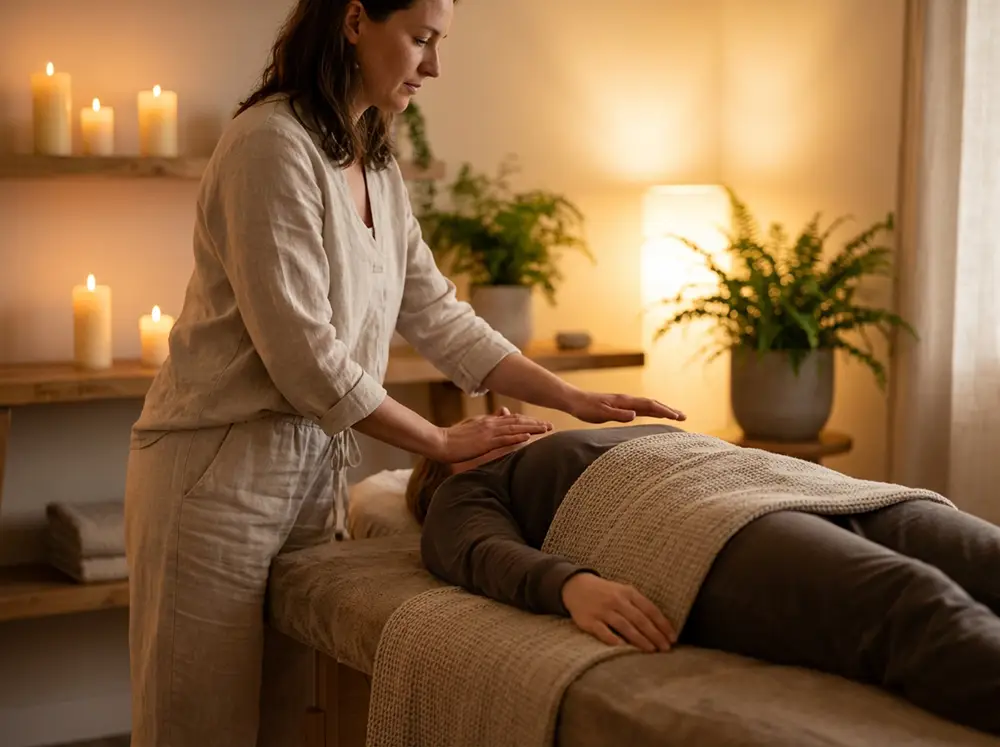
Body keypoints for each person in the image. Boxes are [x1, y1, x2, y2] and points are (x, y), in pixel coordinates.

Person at [122, 1, 686, 745]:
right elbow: (305, 356)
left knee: (286, 722)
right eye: (421, 39)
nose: (434, 66)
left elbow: (437, 312)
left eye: (439, 43)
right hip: (218, 476)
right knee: (198, 727)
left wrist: (569, 393)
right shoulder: (268, 145)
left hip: (308, 474)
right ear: (355, 20)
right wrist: (440, 442)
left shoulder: (372, 158)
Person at [410, 422, 1000, 737]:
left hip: (797, 484)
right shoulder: (469, 486)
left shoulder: (581, 433)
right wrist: (569, 586)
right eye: (473, 425)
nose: (501, 416)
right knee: (910, 600)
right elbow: (478, 551)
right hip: (697, 523)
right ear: (444, 467)